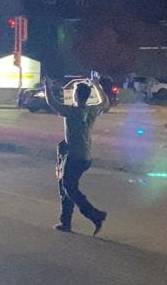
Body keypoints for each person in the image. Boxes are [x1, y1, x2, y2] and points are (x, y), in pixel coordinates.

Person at [44, 77, 109, 235]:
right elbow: (105, 102)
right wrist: (96, 85)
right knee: (66, 185)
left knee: (68, 187)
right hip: (85, 156)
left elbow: (52, 103)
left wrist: (47, 86)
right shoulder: (92, 110)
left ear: (75, 95)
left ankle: (94, 215)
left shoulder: (71, 111)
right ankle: (65, 222)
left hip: (74, 156)